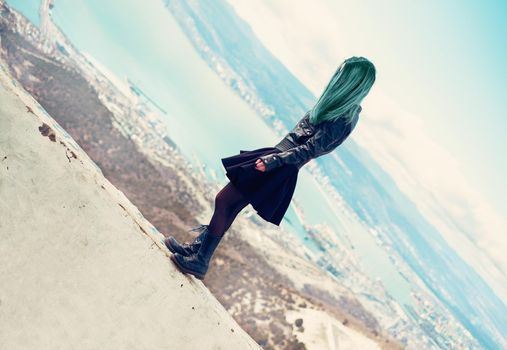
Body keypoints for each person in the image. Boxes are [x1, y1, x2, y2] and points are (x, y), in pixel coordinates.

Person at [166, 56, 376, 279]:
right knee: (232, 206)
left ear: (351, 81)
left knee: (223, 200)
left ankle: (200, 260)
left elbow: (309, 150)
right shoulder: (337, 107)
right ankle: (198, 251)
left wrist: (273, 161)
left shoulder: (343, 118)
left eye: (343, 74)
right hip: (277, 157)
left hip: (280, 164)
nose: (337, 76)